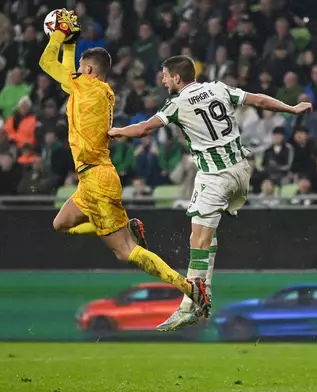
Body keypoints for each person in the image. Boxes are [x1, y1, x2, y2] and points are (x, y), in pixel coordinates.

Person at [108, 54, 312, 331]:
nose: (163, 78)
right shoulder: (218, 87)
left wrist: (115, 131)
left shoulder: (177, 104)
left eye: (165, 75)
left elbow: (144, 129)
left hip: (215, 177)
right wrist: (291, 108)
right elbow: (259, 100)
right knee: (206, 235)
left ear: (177, 78)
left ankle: (189, 305)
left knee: (198, 241)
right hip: (241, 170)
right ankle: (205, 293)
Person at [38, 10, 209, 315]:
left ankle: (188, 287)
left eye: (79, 67)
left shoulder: (84, 86)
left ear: (87, 70)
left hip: (98, 179)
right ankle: (127, 225)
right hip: (89, 179)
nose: (74, 71)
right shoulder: (96, 89)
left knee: (126, 253)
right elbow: (66, 76)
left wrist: (59, 36)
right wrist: (71, 46)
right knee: (60, 223)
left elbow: (45, 64)